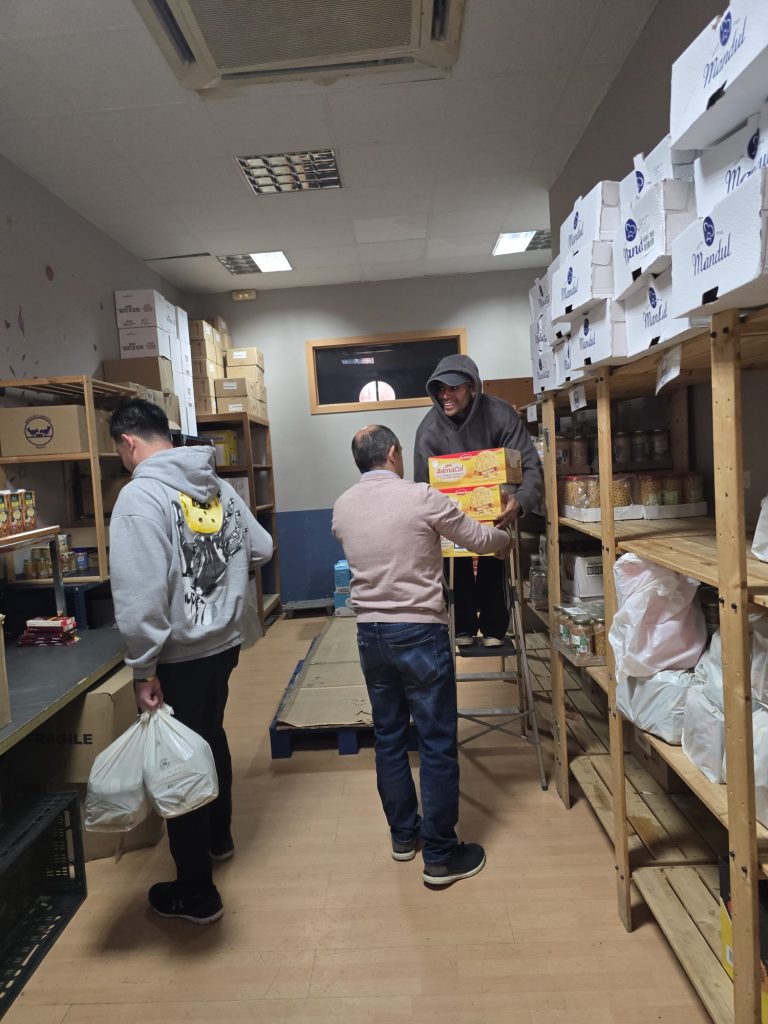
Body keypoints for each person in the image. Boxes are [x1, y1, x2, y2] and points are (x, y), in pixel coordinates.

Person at [108, 397, 273, 924]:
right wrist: (222, 581)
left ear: (128, 443)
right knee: (209, 736)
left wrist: (143, 667)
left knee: (179, 761)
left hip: (177, 655)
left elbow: (139, 593)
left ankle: (197, 891)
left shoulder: (140, 496)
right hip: (223, 645)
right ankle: (219, 837)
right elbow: (262, 547)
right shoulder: (217, 485)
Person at [332, 424, 511, 886]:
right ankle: (440, 855)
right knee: (435, 742)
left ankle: (403, 836)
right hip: (419, 632)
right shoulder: (421, 497)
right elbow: (478, 540)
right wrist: (506, 538)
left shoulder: (343, 506)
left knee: (390, 737)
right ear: (393, 453)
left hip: (370, 635)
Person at [414, 354, 543, 647]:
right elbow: (422, 487)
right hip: (451, 515)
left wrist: (521, 500)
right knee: (455, 563)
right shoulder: (429, 430)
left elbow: (530, 466)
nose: (445, 395)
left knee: (494, 553)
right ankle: (462, 626)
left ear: (472, 387)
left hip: (496, 511)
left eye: (453, 388)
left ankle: (495, 627)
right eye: (440, 389)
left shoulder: (501, 415)